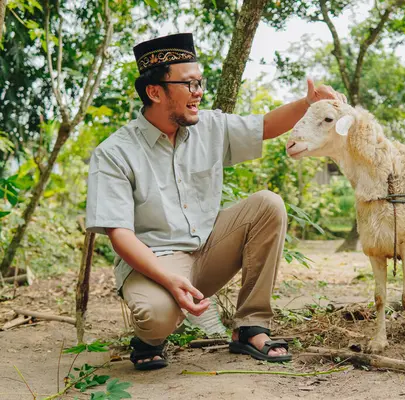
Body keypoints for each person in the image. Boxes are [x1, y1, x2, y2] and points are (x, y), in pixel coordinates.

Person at [85, 33, 345, 371]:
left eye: (200, 83)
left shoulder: (208, 125)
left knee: (268, 204)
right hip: (155, 261)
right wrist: (168, 279)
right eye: (189, 84)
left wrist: (307, 103)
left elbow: (264, 127)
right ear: (154, 92)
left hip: (208, 249)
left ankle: (251, 326)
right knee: (157, 316)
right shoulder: (115, 153)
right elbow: (120, 234)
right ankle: (149, 340)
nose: (199, 92)